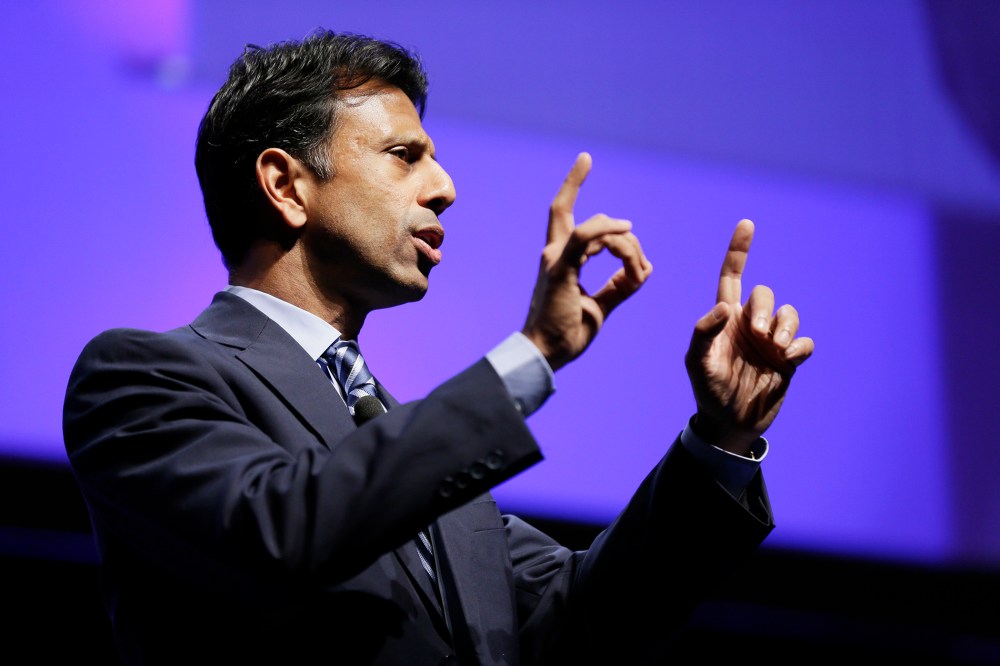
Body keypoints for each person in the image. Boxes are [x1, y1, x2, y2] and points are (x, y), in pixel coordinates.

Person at [62, 30, 813, 666]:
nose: (445, 186)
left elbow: (587, 617)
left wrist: (724, 437)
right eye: (403, 154)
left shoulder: (417, 452)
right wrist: (534, 355)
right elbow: (277, 531)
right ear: (286, 185)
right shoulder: (142, 378)